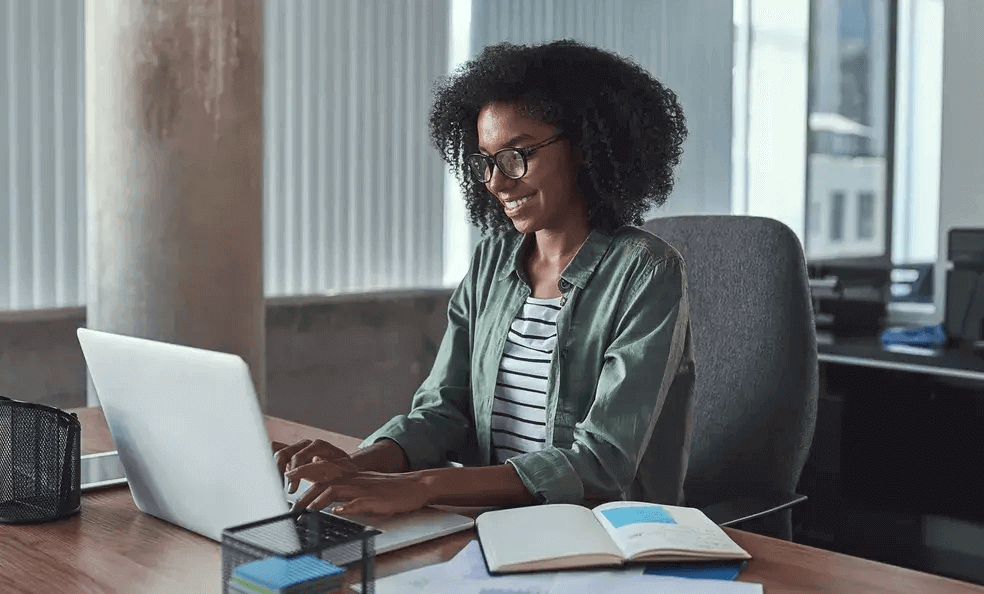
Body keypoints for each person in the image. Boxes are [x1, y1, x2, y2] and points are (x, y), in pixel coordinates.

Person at [272, 39, 695, 518]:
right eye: (486, 161)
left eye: (517, 156)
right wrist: (357, 465)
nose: (495, 181)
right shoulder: (492, 262)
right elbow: (443, 410)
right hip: (493, 524)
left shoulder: (648, 272)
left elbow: (601, 465)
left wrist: (425, 485)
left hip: (608, 536)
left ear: (584, 147)